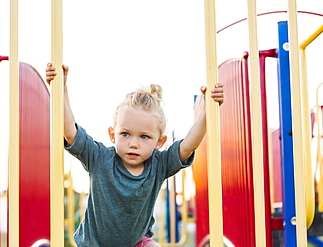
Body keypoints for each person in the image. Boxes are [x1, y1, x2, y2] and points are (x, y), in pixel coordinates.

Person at [45, 63, 224, 247]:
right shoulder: (100, 158)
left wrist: (208, 110)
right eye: (125, 134)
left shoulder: (158, 165)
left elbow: (188, 146)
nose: (133, 143)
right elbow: (69, 131)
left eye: (144, 137)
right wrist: (61, 88)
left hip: (136, 243)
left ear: (159, 142)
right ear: (112, 134)